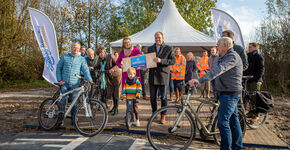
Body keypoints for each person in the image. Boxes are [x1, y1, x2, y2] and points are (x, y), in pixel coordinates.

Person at [189, 37, 243, 150]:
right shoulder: (222, 57)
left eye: (218, 44)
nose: (216, 46)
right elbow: (214, 73)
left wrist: (199, 80)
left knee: (223, 123)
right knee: (233, 121)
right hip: (224, 93)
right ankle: (237, 147)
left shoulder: (232, 57)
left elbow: (218, 70)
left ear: (225, 46)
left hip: (230, 94)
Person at [56, 42, 93, 120]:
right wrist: (59, 79)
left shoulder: (81, 59)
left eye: (77, 47)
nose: (75, 49)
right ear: (71, 48)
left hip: (75, 84)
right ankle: (60, 118)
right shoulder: (65, 57)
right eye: (73, 47)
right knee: (63, 101)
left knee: (74, 103)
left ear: (79, 49)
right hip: (64, 83)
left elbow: (86, 70)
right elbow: (58, 68)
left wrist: (89, 79)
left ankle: (73, 118)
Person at [148, 32, 175, 124]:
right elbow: (148, 61)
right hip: (152, 76)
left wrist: (161, 60)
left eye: (159, 37)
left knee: (163, 97)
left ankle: (163, 115)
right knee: (152, 97)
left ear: (163, 38)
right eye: (156, 37)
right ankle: (154, 114)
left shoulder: (169, 48)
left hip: (163, 76)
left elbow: (172, 61)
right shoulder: (150, 48)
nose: (157, 39)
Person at [95, 46, 122, 115]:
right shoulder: (100, 59)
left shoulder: (111, 56)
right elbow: (97, 65)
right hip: (108, 78)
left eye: (102, 53)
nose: (101, 54)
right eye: (99, 54)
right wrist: (93, 67)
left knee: (116, 93)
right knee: (112, 93)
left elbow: (118, 64)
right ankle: (113, 107)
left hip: (116, 77)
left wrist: (113, 69)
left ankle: (116, 109)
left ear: (104, 52)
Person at [243, 42, 264, 119]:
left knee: (255, 97)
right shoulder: (248, 56)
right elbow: (246, 68)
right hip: (248, 80)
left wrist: (256, 79)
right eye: (249, 47)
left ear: (256, 48)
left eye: (251, 47)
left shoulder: (259, 56)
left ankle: (256, 114)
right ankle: (251, 112)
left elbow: (261, 70)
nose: (249, 48)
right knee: (249, 97)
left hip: (255, 80)